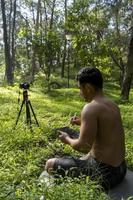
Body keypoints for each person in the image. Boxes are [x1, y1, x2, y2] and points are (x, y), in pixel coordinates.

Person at [45, 67, 127, 190]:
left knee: (49, 164)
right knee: (87, 153)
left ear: (88, 87)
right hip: (121, 169)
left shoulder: (90, 108)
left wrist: (67, 139)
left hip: (105, 176)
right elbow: (105, 129)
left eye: (80, 88)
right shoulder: (112, 104)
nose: (80, 93)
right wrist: (82, 122)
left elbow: (83, 147)